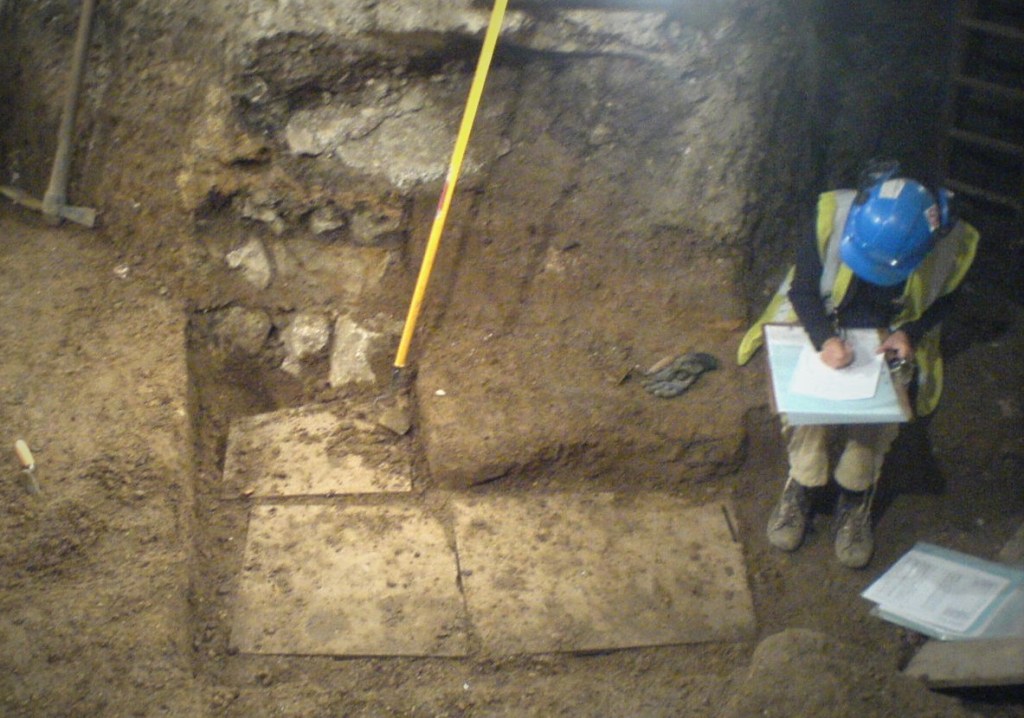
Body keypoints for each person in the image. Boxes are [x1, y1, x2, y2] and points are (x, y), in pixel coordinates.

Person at [736, 160, 979, 568]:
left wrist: (910, 334)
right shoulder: (832, 216)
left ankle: (856, 492)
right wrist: (823, 339)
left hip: (889, 335)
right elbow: (803, 289)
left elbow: (945, 300)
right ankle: (802, 481)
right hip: (825, 319)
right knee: (807, 404)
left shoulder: (951, 243)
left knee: (878, 413)